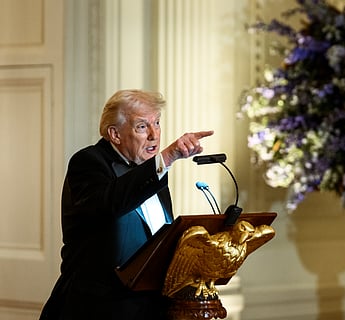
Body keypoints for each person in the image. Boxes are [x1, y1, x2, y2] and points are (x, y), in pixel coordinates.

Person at [39, 89, 214, 320]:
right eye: (142, 126)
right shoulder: (88, 162)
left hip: (150, 306)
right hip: (98, 308)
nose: (154, 135)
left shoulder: (155, 172)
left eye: (157, 123)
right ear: (115, 134)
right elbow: (111, 204)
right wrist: (166, 159)